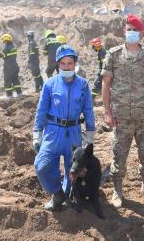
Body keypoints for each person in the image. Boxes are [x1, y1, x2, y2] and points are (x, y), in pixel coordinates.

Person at [101, 14, 144, 208]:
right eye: (129, 29)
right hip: (121, 117)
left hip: (143, 115)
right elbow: (106, 84)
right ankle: (117, 191)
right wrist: (107, 112)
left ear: (141, 33)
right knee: (119, 156)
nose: (131, 33)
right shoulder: (113, 55)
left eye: (135, 30)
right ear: (124, 31)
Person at [33, 44, 96, 211]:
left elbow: (88, 109)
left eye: (70, 63)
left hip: (74, 132)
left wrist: (90, 133)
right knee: (42, 165)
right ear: (58, 65)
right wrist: (37, 132)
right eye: (63, 63)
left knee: (73, 169)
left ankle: (69, 193)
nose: (67, 67)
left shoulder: (83, 85)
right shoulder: (50, 85)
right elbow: (42, 110)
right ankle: (57, 193)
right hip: (53, 131)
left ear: (75, 64)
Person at [0, 33, 22, 98]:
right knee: (15, 80)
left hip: (8, 67)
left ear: (5, 40)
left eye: (3, 41)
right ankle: (19, 93)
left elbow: (0, 55)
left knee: (7, 81)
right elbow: (4, 53)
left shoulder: (6, 48)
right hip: (15, 66)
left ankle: (9, 95)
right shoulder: (13, 47)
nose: (3, 42)